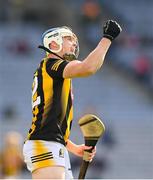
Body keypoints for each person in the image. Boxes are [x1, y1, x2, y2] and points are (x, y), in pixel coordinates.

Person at [23, 20, 122, 179]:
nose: (74, 44)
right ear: (53, 43)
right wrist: (107, 38)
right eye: (69, 39)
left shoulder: (53, 72)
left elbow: (52, 123)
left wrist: (74, 148)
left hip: (52, 145)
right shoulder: (52, 64)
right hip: (44, 146)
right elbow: (88, 67)